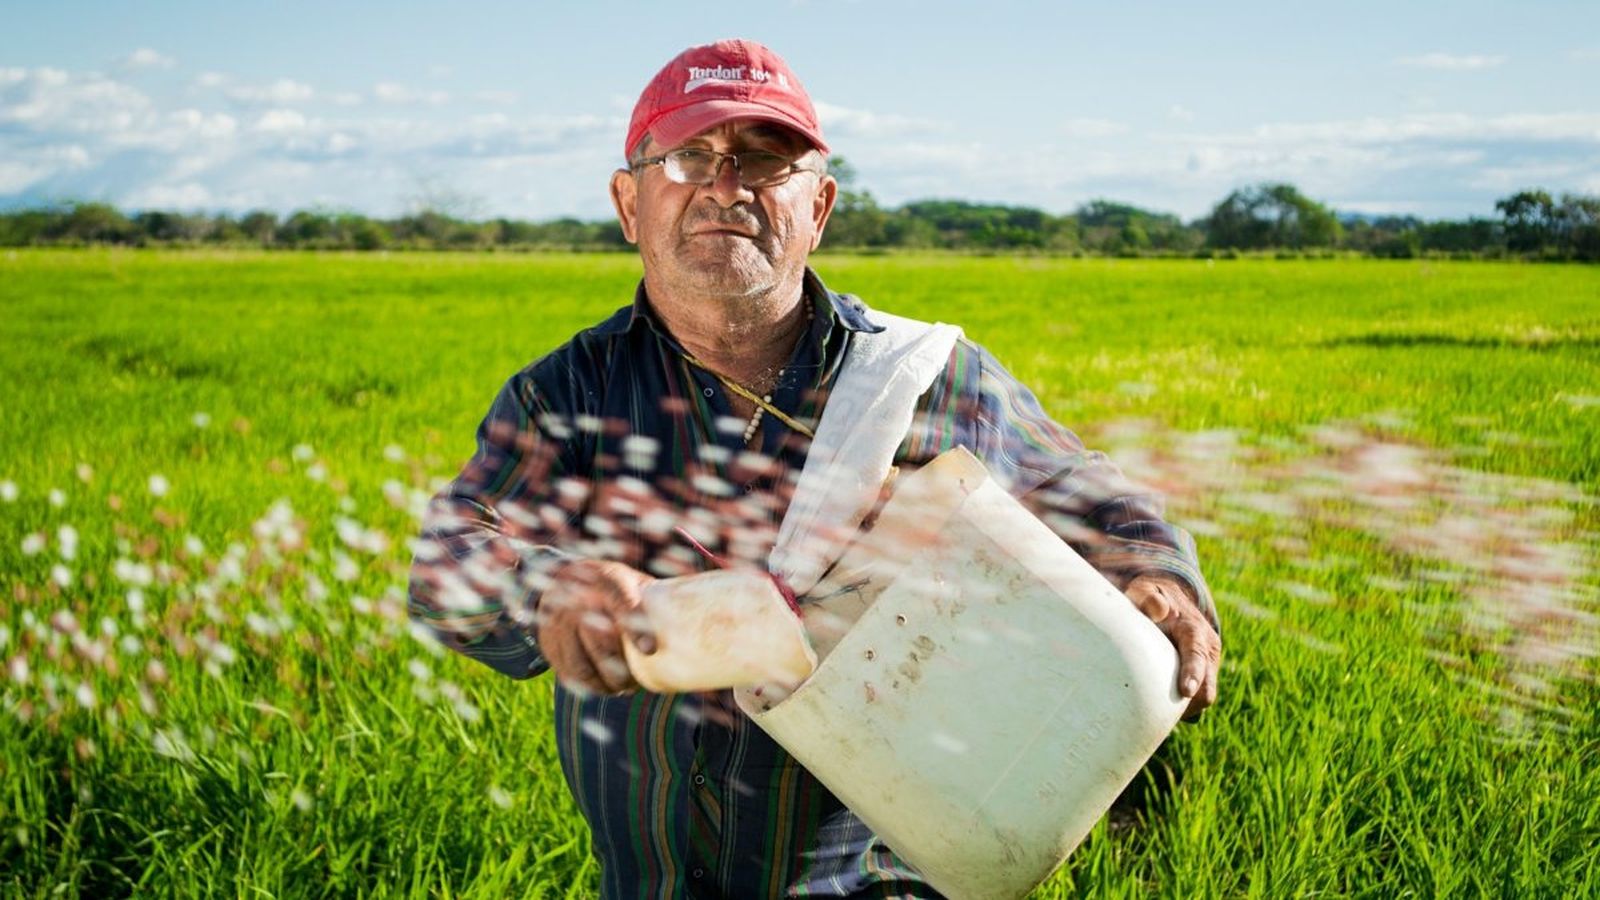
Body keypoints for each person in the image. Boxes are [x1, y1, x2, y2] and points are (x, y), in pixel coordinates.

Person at [408, 38, 1221, 900]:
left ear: (819, 205)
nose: (727, 185)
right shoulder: (567, 393)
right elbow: (447, 557)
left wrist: (1154, 570)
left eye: (766, 160)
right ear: (629, 202)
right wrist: (547, 592)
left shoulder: (919, 378)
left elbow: (1085, 492)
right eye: (689, 156)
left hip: (875, 876)